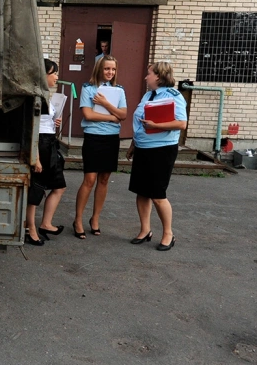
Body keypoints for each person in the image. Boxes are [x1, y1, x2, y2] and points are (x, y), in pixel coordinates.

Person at [126, 62, 187, 251]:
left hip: (162, 149)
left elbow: (181, 123)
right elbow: (140, 121)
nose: (146, 77)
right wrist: (134, 143)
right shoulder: (147, 95)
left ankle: (168, 233)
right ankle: (145, 230)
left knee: (158, 195)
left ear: (159, 77)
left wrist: (156, 126)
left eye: (149, 74)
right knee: (141, 191)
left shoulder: (174, 96)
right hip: (143, 147)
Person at [73, 55, 127, 239]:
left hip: (112, 138)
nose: (110, 72)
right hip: (94, 137)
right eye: (106, 69)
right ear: (99, 69)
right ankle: (78, 219)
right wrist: (112, 117)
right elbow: (88, 114)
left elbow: (124, 114)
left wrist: (105, 104)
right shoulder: (88, 88)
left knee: (104, 179)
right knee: (89, 179)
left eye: (113, 69)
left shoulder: (119, 90)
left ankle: (95, 219)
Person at [24, 59, 66, 246]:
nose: (56, 77)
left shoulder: (46, 96)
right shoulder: (36, 97)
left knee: (59, 185)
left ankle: (46, 224)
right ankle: (30, 228)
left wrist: (54, 122)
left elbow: (45, 123)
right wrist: (36, 157)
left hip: (49, 142)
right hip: (40, 143)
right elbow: (32, 127)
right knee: (36, 189)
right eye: (53, 73)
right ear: (43, 75)